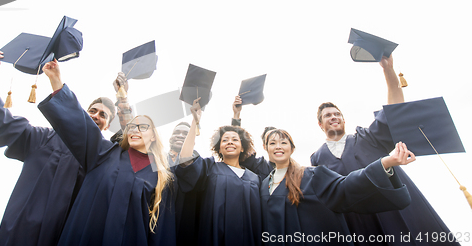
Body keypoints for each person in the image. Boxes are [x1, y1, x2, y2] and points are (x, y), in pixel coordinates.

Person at [310, 55, 459, 245]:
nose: (333, 117)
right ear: (320, 123)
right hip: (358, 223)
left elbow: (394, 111)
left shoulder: (367, 137)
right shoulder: (317, 158)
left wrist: (388, 70)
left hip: (393, 211)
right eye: (328, 115)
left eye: (337, 114)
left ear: (344, 119)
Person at [0, 50, 115, 246]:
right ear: (81, 113)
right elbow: (1, 124)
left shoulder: (105, 158)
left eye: (103, 115)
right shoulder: (43, 138)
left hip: (67, 236)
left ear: (107, 126)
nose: (96, 116)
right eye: (92, 111)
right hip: (22, 232)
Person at [37, 60, 176, 245]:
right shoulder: (103, 154)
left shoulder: (160, 177)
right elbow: (80, 125)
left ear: (153, 137)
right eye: (133, 127)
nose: (136, 130)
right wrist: (56, 80)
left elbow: (160, 232)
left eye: (143, 127)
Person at [258, 129, 413, 246]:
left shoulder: (312, 175)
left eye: (283, 143)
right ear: (266, 148)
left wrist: (384, 163)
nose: (278, 146)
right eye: (272, 143)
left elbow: (345, 187)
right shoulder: (264, 185)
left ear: (291, 149)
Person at [175, 98, 262, 246]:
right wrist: (194, 123)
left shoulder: (255, 179)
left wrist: (237, 115)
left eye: (235, 140)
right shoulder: (209, 168)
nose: (229, 142)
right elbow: (185, 160)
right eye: (224, 140)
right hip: (213, 238)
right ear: (219, 148)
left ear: (242, 148)